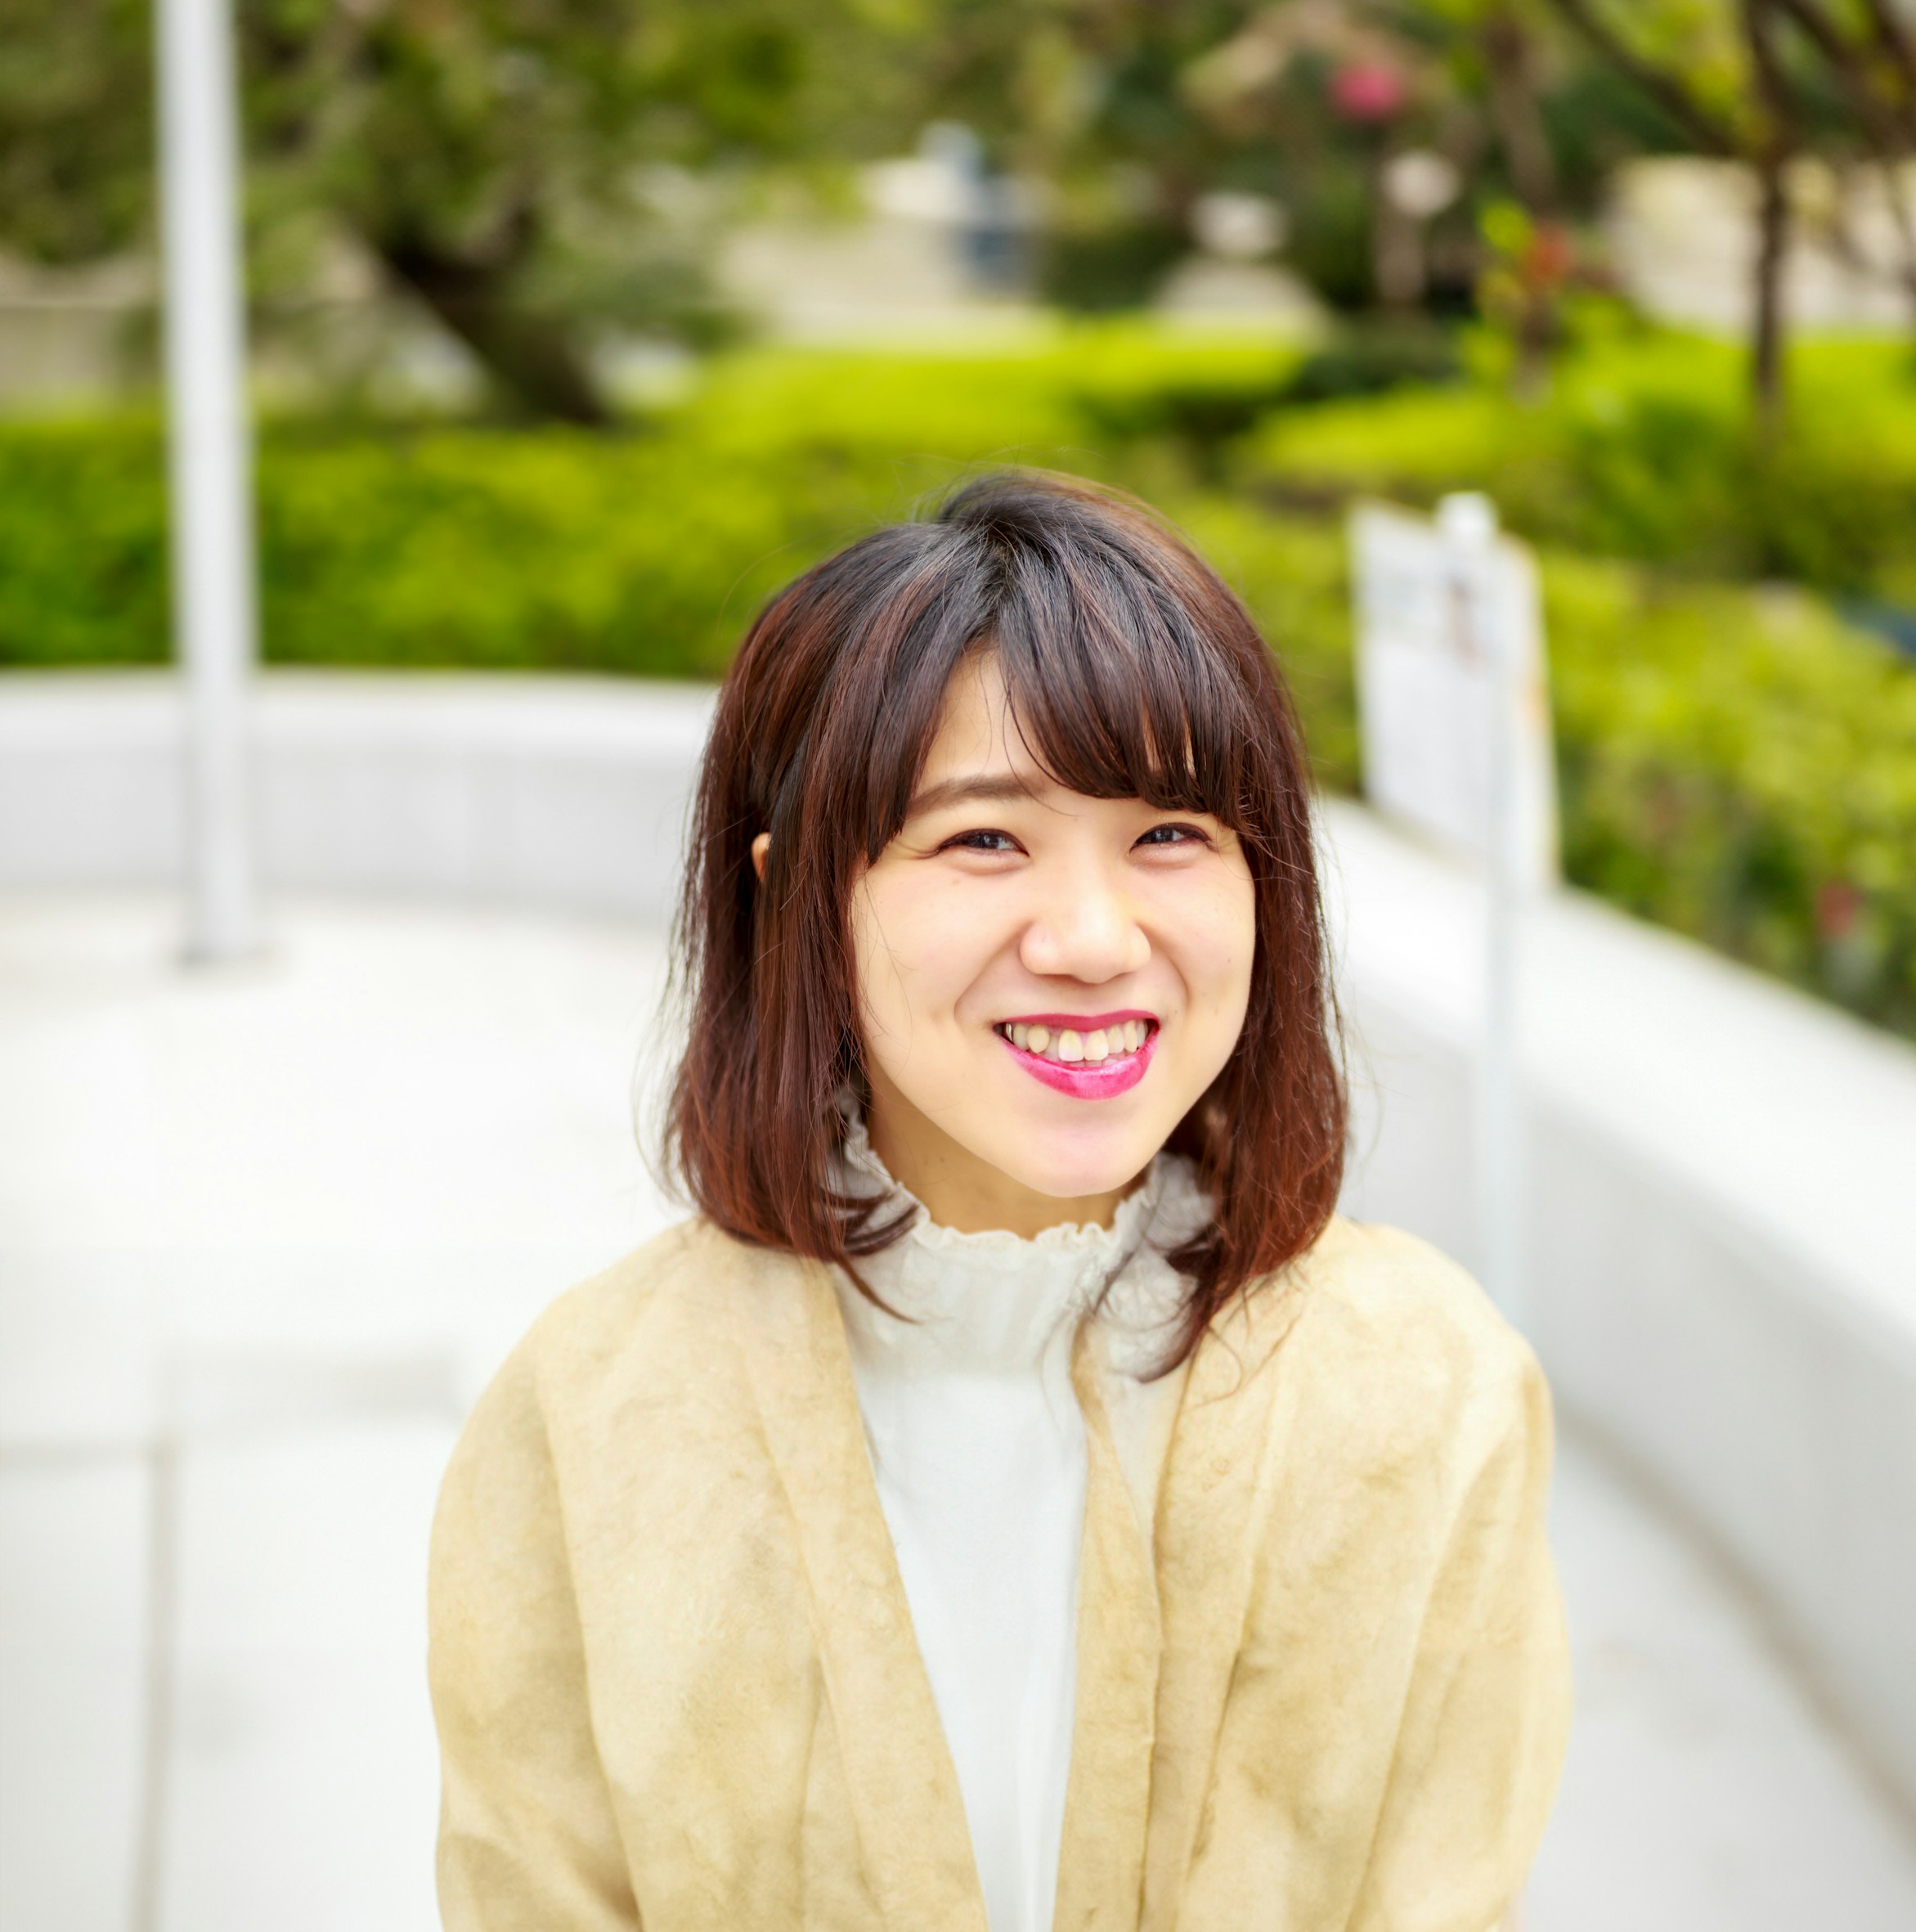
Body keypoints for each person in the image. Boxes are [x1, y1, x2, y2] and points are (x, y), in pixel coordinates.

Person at [426, 471, 1570, 1930]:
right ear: (797, 906)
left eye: (1170, 835)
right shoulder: (588, 1417)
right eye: (984, 840)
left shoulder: (1430, 1391)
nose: (1094, 940)